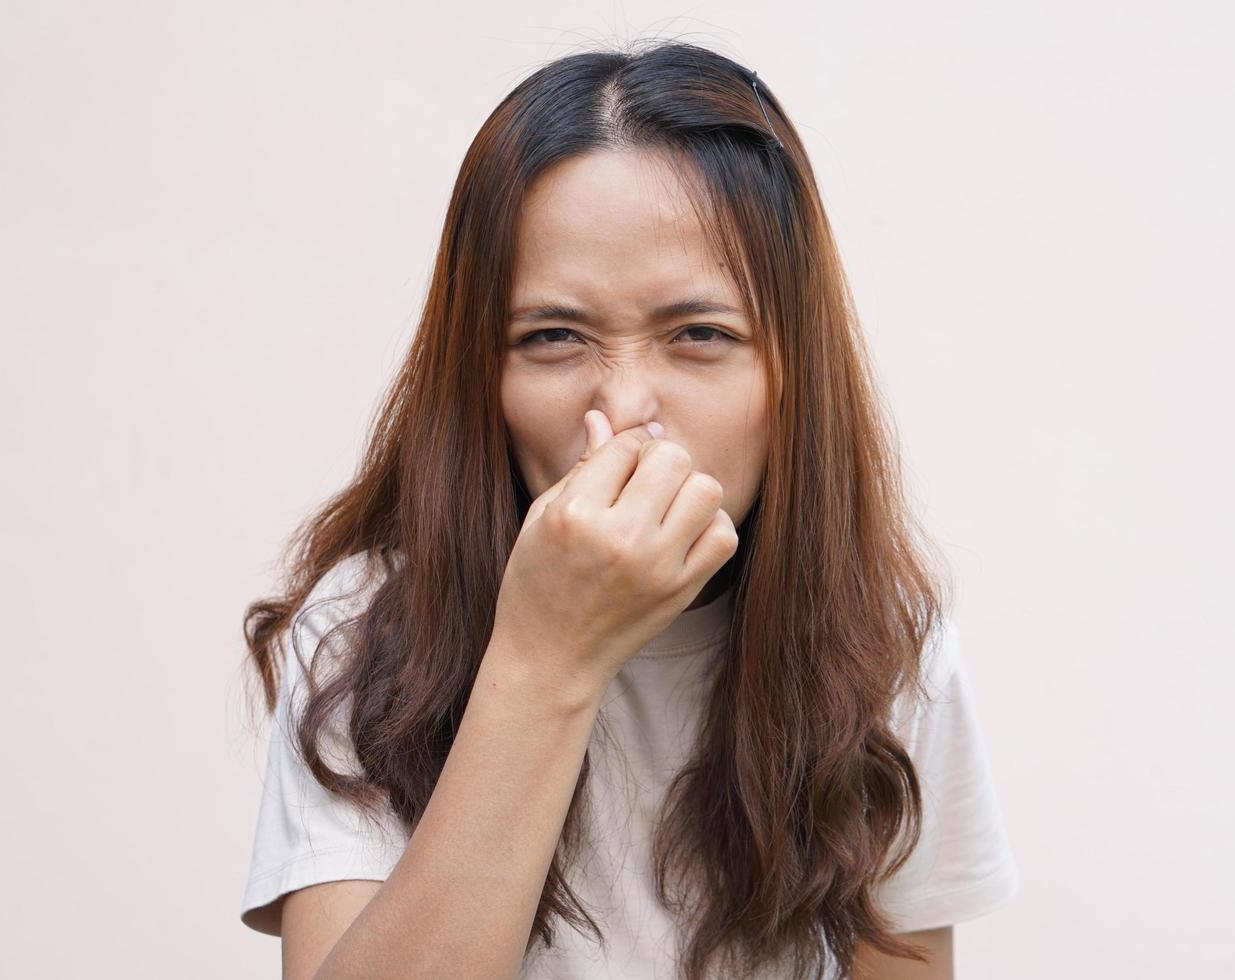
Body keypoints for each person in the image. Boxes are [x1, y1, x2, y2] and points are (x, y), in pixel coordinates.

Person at [237, 40, 1018, 980]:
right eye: (554, 337)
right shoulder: (362, 633)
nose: (624, 409)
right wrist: (543, 659)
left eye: (699, 335)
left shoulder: (882, 646)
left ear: (790, 377)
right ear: (480, 375)